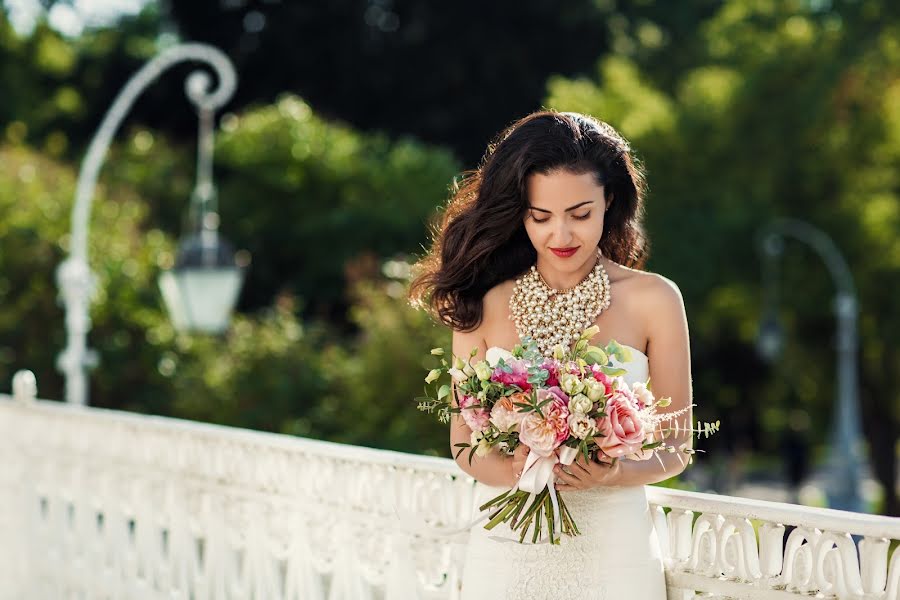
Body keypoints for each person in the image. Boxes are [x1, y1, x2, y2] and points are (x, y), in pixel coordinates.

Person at [409, 110, 693, 599]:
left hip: (613, 549)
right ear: (519, 212)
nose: (560, 236)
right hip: (507, 550)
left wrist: (615, 471)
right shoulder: (486, 302)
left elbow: (677, 444)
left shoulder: (656, 300)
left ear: (610, 201)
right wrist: (516, 468)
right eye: (540, 217)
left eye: (580, 214)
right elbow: (461, 443)